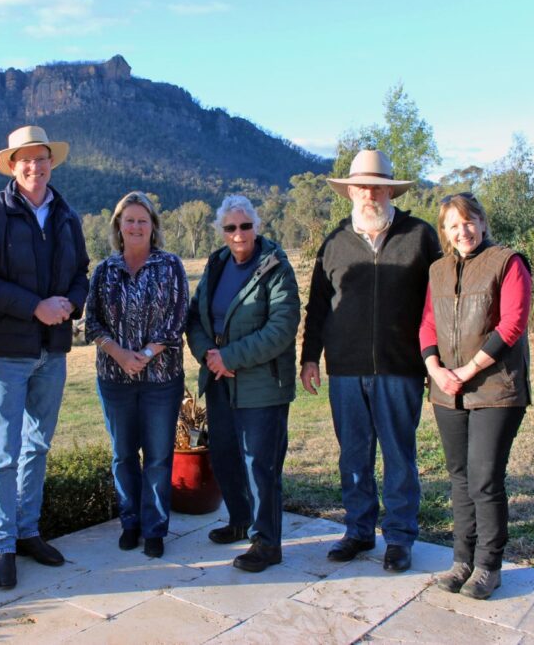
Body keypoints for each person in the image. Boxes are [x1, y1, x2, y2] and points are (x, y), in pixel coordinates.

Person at [0, 125, 89, 590]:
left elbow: (81, 272)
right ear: (12, 166)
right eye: (25, 160)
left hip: (52, 351)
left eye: (42, 158)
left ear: (51, 162)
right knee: (4, 450)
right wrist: (35, 306)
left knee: (38, 444)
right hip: (4, 351)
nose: (34, 167)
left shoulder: (67, 216)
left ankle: (29, 530)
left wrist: (70, 303)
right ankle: (3, 544)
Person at [301, 149, 441, 573]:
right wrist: (309, 359)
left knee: (400, 455)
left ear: (389, 190)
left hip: (401, 368)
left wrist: (436, 362)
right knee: (353, 456)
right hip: (345, 369)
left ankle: (399, 538)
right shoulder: (335, 242)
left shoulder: (420, 236)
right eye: (361, 186)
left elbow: (438, 306)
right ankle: (358, 531)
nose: (369, 194)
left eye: (377, 186)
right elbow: (318, 307)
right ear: (350, 192)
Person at [421, 192, 532, 600]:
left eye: (468, 222)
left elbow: (512, 323)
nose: (462, 231)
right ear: (445, 233)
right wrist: (435, 370)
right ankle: (461, 561)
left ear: (482, 223)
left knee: (484, 479)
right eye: (453, 225)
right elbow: (428, 325)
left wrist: (467, 371)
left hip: (495, 388)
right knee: (460, 479)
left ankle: (488, 566)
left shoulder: (507, 262)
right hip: (447, 391)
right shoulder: (437, 270)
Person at [187, 195, 300, 573]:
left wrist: (230, 357)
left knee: (260, 465)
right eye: (231, 228)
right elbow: (196, 319)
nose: (238, 234)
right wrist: (209, 356)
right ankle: (238, 519)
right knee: (225, 454)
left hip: (261, 384)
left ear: (257, 226)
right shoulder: (216, 265)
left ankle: (266, 543)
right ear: (221, 232)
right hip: (218, 379)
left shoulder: (276, 268)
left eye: (245, 226)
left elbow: (281, 329)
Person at [85, 191, 189, 558]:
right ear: (118, 226)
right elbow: (92, 321)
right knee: (123, 455)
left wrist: (144, 355)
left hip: (161, 379)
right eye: (129, 220)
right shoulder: (105, 270)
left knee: (158, 456)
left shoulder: (170, 266)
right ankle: (130, 523)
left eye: (142, 220)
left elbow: (178, 318)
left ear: (153, 226)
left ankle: (155, 529)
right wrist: (119, 354)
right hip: (114, 381)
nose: (135, 226)